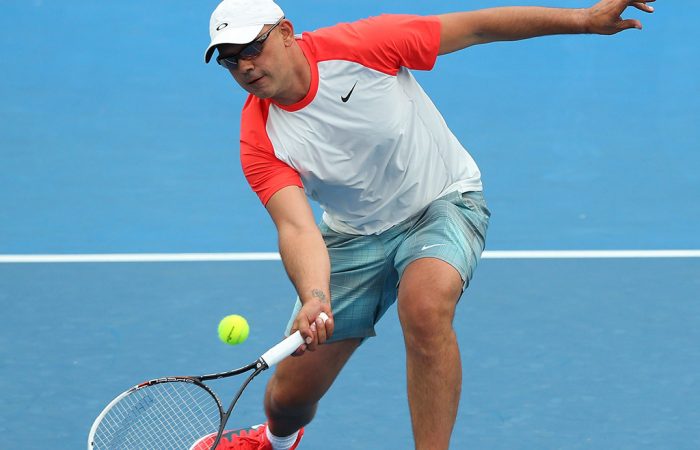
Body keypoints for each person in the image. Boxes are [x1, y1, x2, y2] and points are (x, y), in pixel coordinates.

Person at [201, 0, 655, 448]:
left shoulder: (363, 46)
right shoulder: (259, 138)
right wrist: (316, 296)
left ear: (285, 32)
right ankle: (275, 441)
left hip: (440, 201)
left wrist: (583, 19)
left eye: (252, 48)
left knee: (424, 306)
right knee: (286, 400)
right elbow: (297, 228)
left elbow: (477, 27)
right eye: (229, 59)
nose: (244, 66)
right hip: (354, 233)